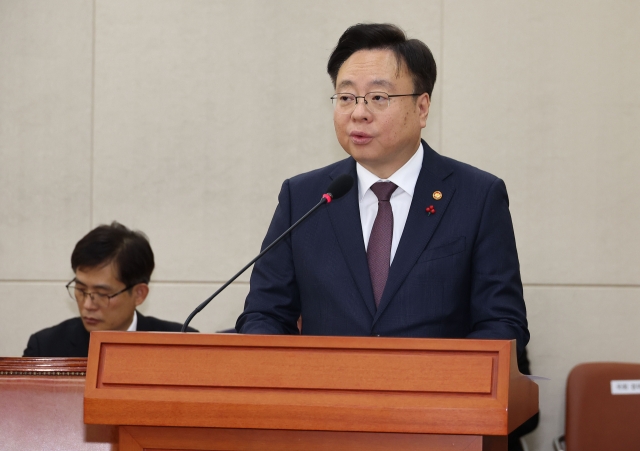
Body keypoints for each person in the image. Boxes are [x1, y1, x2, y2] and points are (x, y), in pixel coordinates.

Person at [236, 23, 528, 356]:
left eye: (378, 97)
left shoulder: (476, 196)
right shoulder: (303, 197)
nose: (358, 113)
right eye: (346, 97)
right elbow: (265, 314)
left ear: (421, 108)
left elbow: (503, 325)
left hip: (433, 402)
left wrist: (440, 379)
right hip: (326, 400)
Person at [23, 221, 196, 357]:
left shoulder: (184, 345)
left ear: (139, 294)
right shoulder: (45, 348)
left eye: (102, 294)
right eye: (81, 289)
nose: (88, 305)